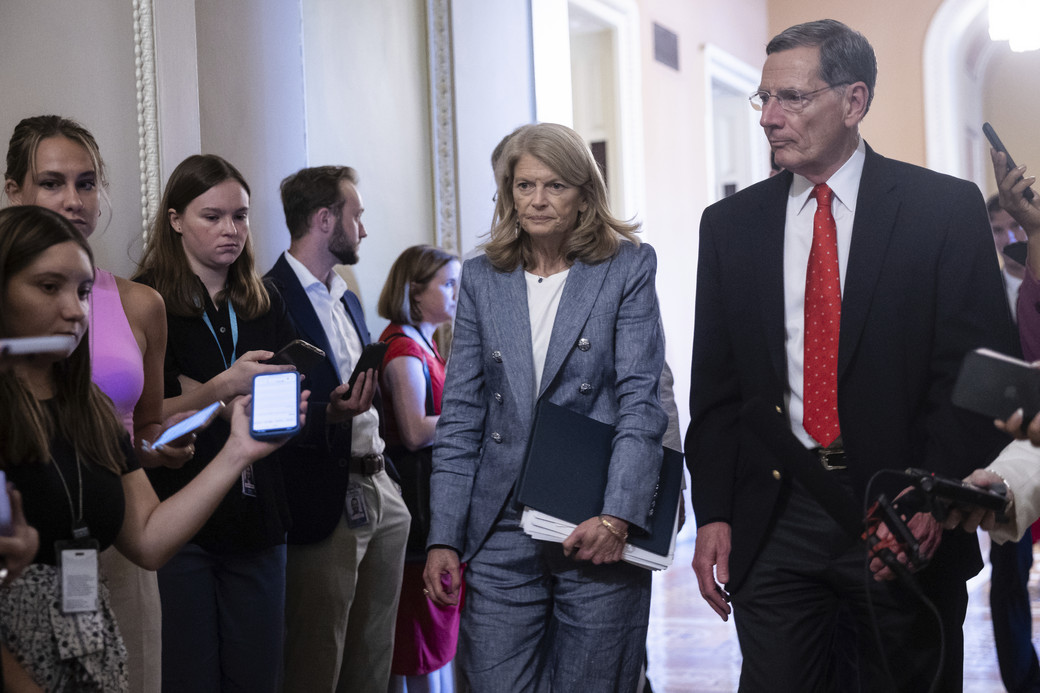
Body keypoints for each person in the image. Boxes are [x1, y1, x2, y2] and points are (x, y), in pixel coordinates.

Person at [685, 19, 1015, 691]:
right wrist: (714, 510)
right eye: (764, 99)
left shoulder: (942, 211)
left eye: (793, 98)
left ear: (854, 101)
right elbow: (717, 389)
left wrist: (935, 497)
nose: (770, 118)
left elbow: (976, 375)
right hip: (776, 517)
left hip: (901, 517)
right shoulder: (731, 226)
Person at [0, 204, 302, 692]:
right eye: (48, 287)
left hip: (88, 650)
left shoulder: (90, 409)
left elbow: (148, 539)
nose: (75, 310)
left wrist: (238, 451)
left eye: (82, 291)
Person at [423, 122, 667, 691]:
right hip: (501, 523)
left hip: (596, 517)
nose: (536, 200)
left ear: (584, 192)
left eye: (554, 185)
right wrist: (444, 536)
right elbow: (461, 416)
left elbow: (640, 401)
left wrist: (617, 516)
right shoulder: (484, 276)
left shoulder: (626, 266)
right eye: (524, 185)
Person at [3, 115, 183, 693]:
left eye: (86, 183)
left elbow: (144, 433)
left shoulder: (127, 315)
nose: (73, 200)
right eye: (53, 181)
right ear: (15, 192)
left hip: (106, 519)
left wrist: (232, 446)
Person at [133, 155, 300, 692]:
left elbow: (282, 384)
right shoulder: (147, 298)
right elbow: (150, 409)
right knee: (190, 676)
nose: (231, 230)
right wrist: (222, 390)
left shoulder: (262, 298)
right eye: (213, 217)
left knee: (258, 677)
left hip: (258, 513)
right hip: (182, 513)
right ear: (176, 219)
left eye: (241, 216)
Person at [264, 165, 410, 693]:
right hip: (321, 494)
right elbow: (268, 415)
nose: (364, 229)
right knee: (317, 660)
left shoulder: (345, 295)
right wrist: (329, 410)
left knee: (373, 658)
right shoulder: (269, 297)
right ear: (325, 219)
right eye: (358, 216)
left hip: (379, 487)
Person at [376, 244, 462, 692]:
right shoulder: (404, 347)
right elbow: (412, 430)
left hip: (431, 500)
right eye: (447, 283)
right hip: (415, 504)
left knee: (434, 635)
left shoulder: (425, 341)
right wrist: (471, 416)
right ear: (414, 289)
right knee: (418, 637)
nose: (455, 292)